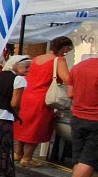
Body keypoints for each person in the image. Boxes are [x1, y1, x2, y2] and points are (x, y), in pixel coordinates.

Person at [14, 36, 74, 166]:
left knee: (24, 124)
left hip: (28, 94)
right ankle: (27, 158)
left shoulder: (36, 59)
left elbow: (24, 72)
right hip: (43, 97)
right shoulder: (59, 60)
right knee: (36, 126)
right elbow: (67, 78)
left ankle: (18, 154)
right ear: (64, 48)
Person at [62, 54, 98, 177]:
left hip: (77, 116)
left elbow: (70, 94)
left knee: (79, 158)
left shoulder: (79, 66)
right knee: (88, 160)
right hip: (95, 118)